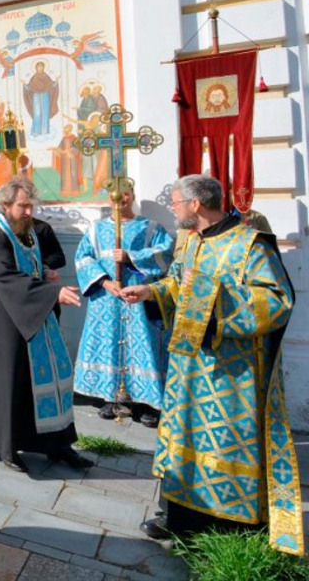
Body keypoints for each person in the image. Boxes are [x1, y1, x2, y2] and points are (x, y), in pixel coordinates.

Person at [119, 174, 301, 554]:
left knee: (225, 446)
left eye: (175, 202)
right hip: (188, 370)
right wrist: (151, 290)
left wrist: (212, 298)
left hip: (231, 376)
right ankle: (178, 517)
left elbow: (277, 300)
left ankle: (230, 526)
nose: (172, 208)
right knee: (184, 440)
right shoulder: (191, 242)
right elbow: (176, 284)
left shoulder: (250, 244)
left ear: (196, 204)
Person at [0, 176, 92, 474]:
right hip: (6, 320)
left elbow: (29, 267)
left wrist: (44, 274)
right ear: (5, 205)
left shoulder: (28, 232)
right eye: (22, 206)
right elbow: (5, 277)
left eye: (30, 205)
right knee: (12, 382)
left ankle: (58, 444)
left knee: (52, 380)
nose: (28, 212)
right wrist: (52, 292)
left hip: (36, 315)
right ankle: (7, 448)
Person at [73, 184, 173, 427]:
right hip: (106, 300)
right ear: (109, 198)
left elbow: (165, 254)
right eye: (116, 194)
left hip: (137, 298)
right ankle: (111, 396)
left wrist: (131, 257)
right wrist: (106, 282)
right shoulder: (96, 229)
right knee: (108, 343)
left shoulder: (150, 227)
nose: (121, 199)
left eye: (126, 193)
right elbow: (82, 258)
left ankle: (145, 403)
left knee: (144, 344)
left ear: (133, 195)